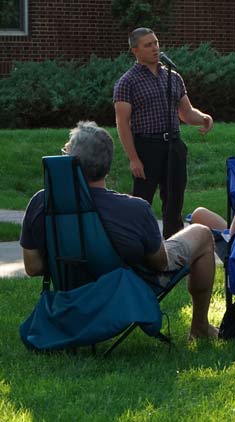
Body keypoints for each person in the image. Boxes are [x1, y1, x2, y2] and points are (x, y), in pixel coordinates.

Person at [19, 121, 218, 341]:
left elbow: (33, 266)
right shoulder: (135, 209)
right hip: (126, 291)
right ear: (107, 164)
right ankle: (199, 328)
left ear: (70, 162)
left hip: (72, 289)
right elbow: (159, 263)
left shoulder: (41, 203)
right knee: (201, 232)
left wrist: (74, 258)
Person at [114, 27, 213, 239]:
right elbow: (122, 123)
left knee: (174, 202)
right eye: (148, 45)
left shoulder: (173, 77)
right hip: (146, 147)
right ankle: (139, 247)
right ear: (135, 51)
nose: (155, 48)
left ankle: (174, 251)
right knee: (142, 202)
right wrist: (133, 158)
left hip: (174, 146)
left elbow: (185, 113)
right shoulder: (127, 82)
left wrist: (204, 118)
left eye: (156, 43)